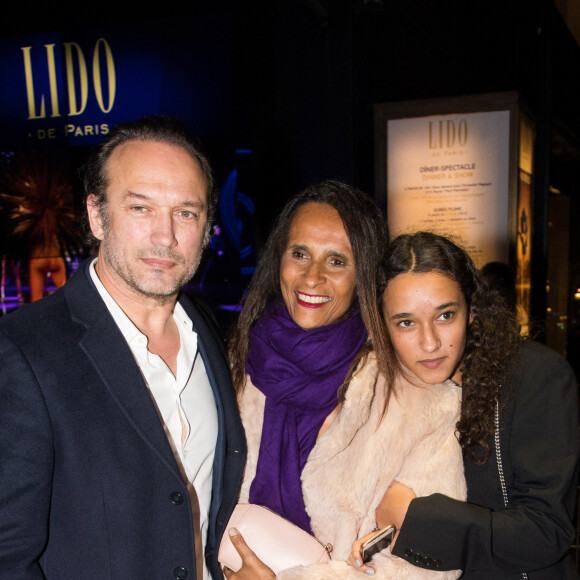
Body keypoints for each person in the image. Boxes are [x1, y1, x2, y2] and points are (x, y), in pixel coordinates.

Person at [0, 116, 246, 579]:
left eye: (186, 213)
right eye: (141, 208)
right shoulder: (22, 351)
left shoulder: (209, 331)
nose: (165, 236)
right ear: (97, 215)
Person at [225, 184, 466, 579]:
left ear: (364, 274)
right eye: (299, 254)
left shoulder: (418, 401)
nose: (312, 276)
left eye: (337, 261)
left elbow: (428, 569)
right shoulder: (236, 366)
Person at [370, 232, 579, 579]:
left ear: (471, 309)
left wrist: (416, 520)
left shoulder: (534, 377)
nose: (429, 342)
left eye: (445, 315)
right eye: (406, 322)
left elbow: (547, 531)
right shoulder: (384, 389)